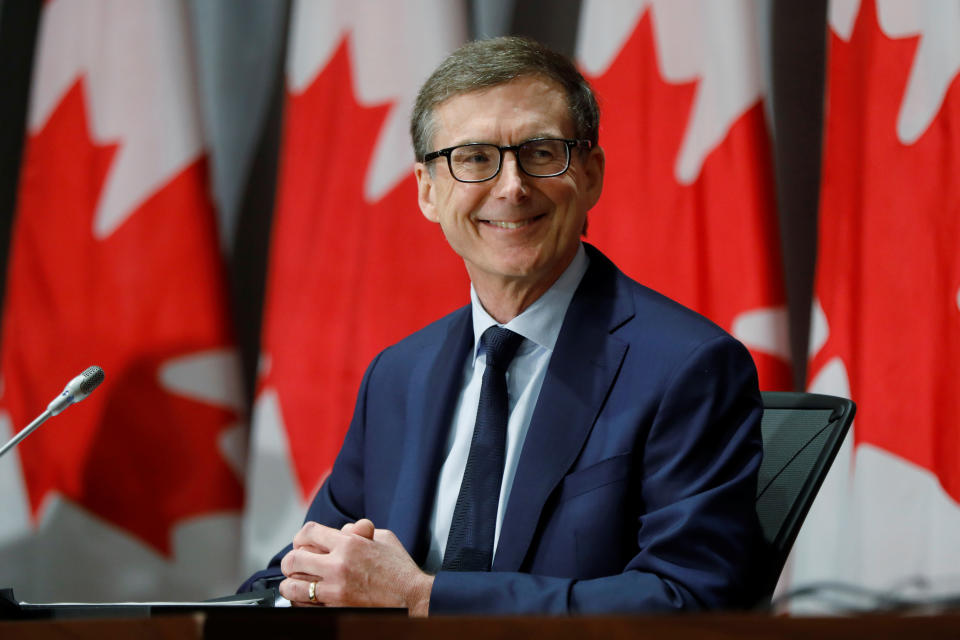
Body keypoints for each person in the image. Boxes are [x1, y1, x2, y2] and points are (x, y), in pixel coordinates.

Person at [240, 36, 765, 616]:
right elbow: (311, 567)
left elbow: (690, 599)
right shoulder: (399, 374)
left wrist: (425, 597)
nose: (512, 187)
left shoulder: (686, 366)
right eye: (473, 158)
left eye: (541, 153)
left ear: (591, 175)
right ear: (427, 191)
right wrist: (286, 598)